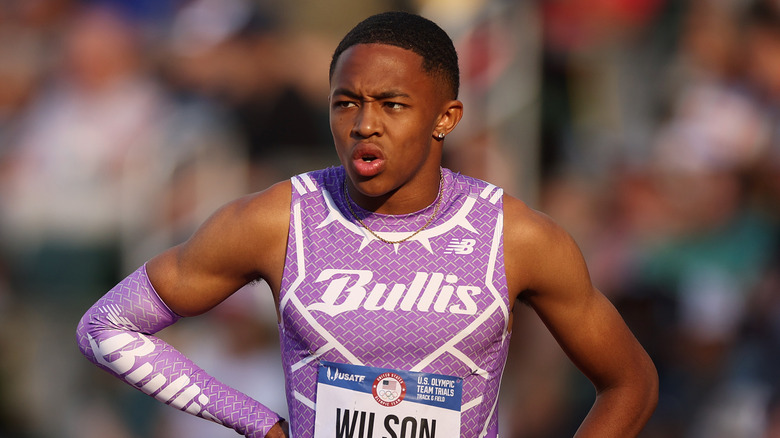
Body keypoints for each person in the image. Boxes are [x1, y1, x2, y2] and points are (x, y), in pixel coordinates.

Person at [76, 11, 658, 438]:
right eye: (345, 102)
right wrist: (262, 426)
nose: (364, 124)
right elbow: (107, 327)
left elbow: (631, 382)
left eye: (392, 104)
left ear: (445, 117)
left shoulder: (517, 236)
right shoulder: (277, 221)